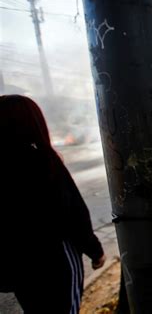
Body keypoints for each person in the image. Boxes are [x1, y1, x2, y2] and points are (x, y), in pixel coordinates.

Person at [0, 95, 106, 313]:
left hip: (19, 269)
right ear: (32, 123)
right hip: (54, 264)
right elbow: (73, 212)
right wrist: (95, 250)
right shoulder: (42, 161)